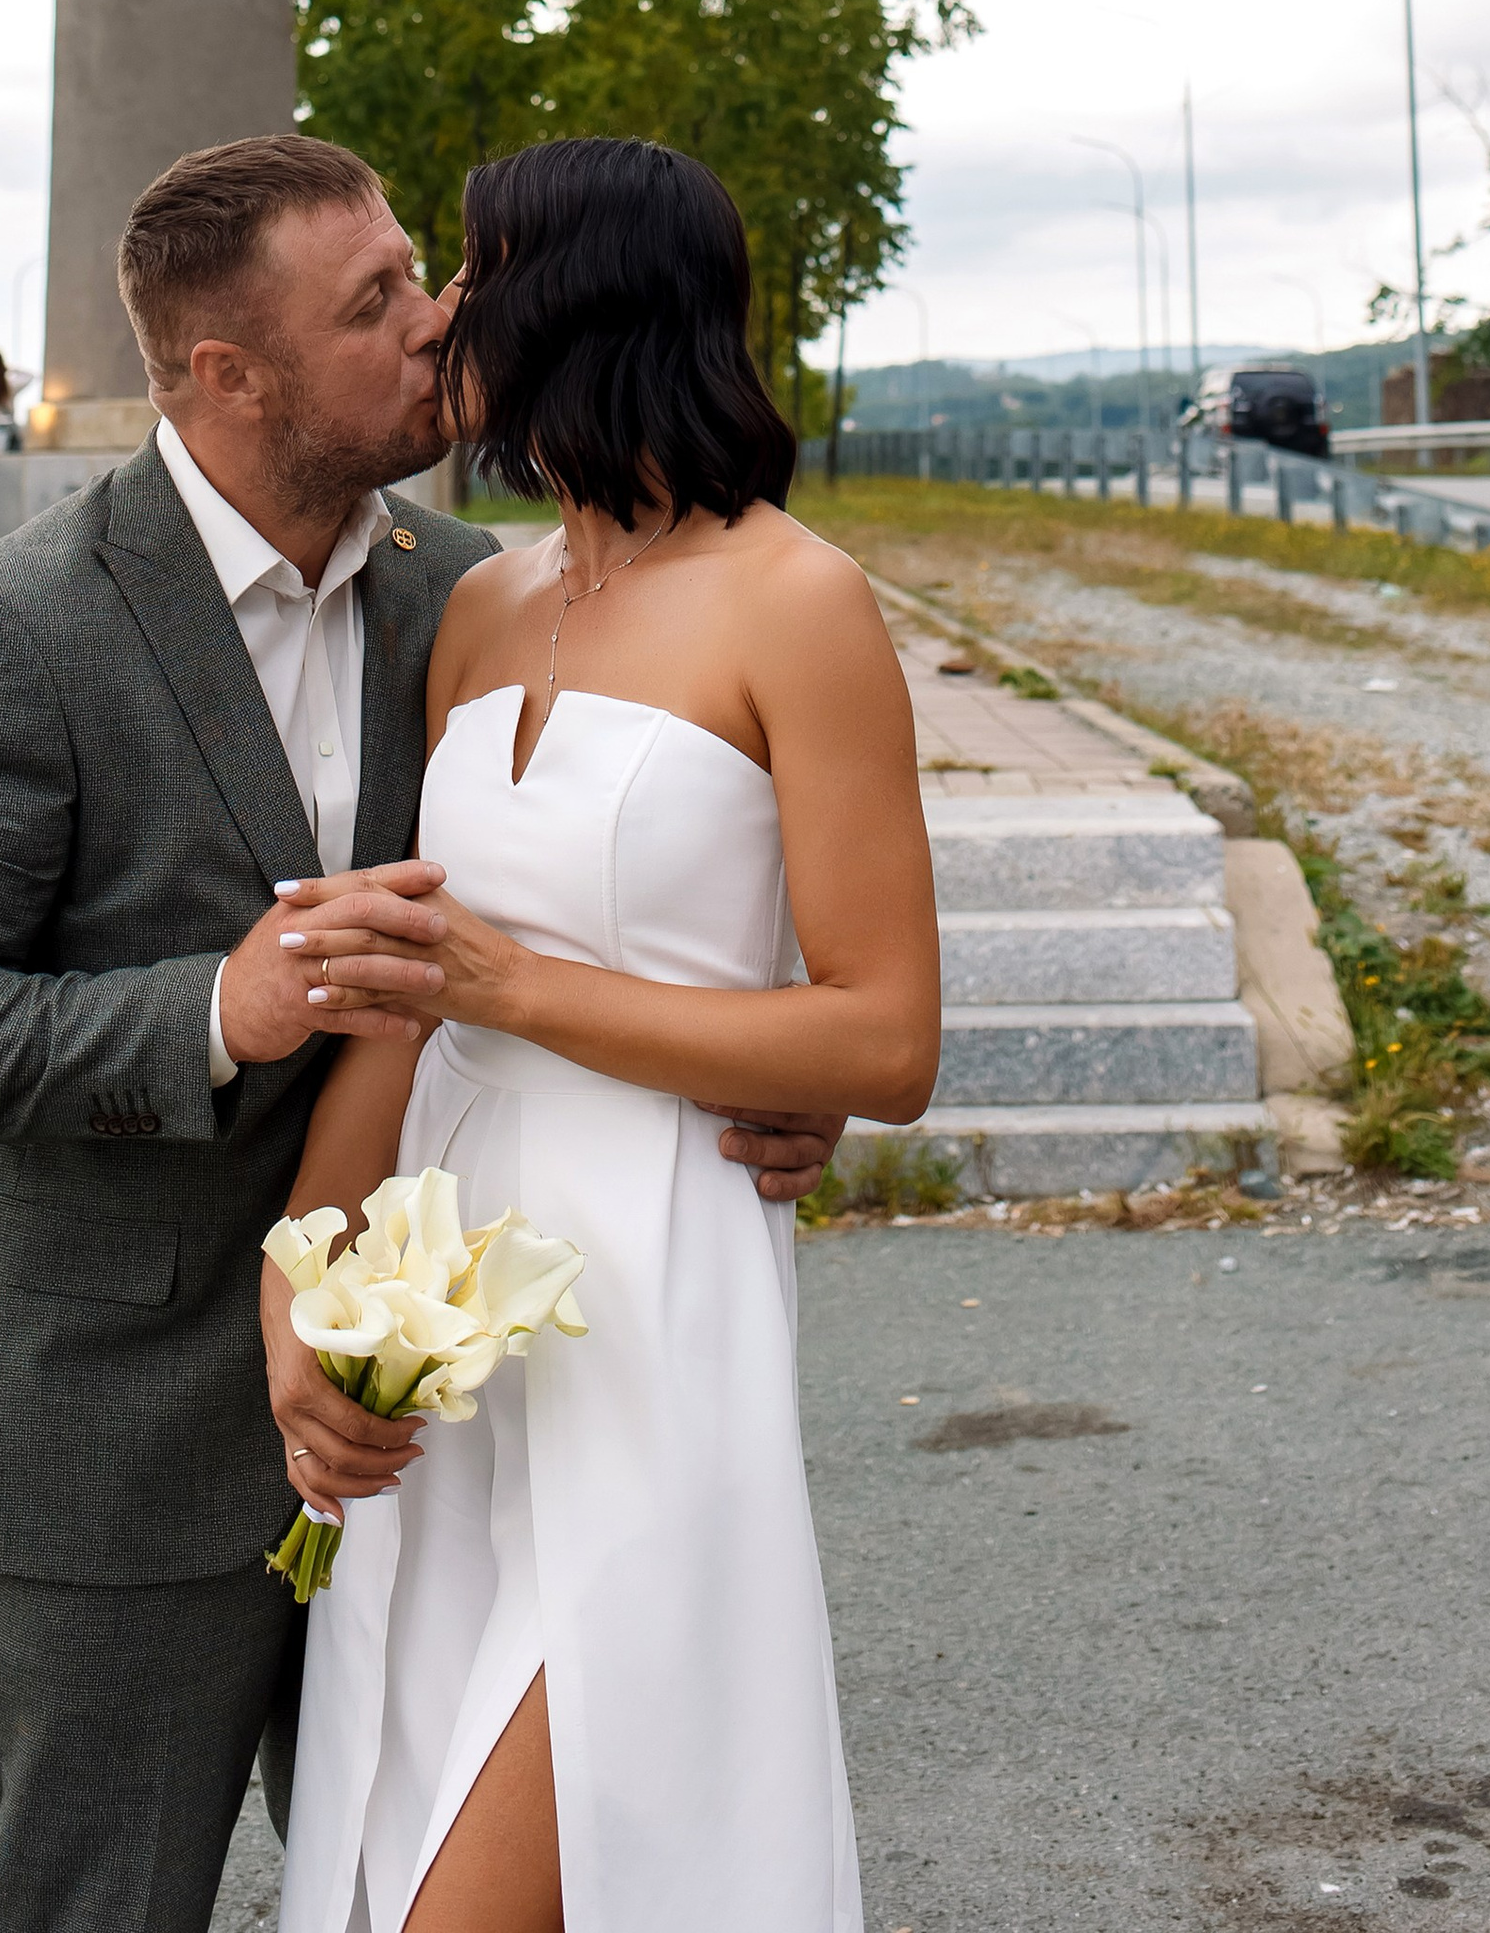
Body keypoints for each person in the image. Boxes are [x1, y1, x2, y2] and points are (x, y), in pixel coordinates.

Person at [0, 132, 840, 1933]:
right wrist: (222, 1005)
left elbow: (586, 914)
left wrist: (746, 1070)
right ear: (230, 373)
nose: (441, 320)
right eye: (374, 304)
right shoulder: (7, 637)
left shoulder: (479, 589)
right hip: (125, 1440)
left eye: (420, 275)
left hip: (457, 1416)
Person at [267, 137, 944, 1933]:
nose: (446, 312)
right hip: (447, 1269)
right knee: (389, 1836)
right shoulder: (479, 605)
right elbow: (409, 1011)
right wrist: (306, 1294)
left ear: (581, 297)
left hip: (652, 1282)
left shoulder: (797, 602)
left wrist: (527, 993)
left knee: (551, 1852)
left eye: (477, 268)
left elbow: (885, 1039)